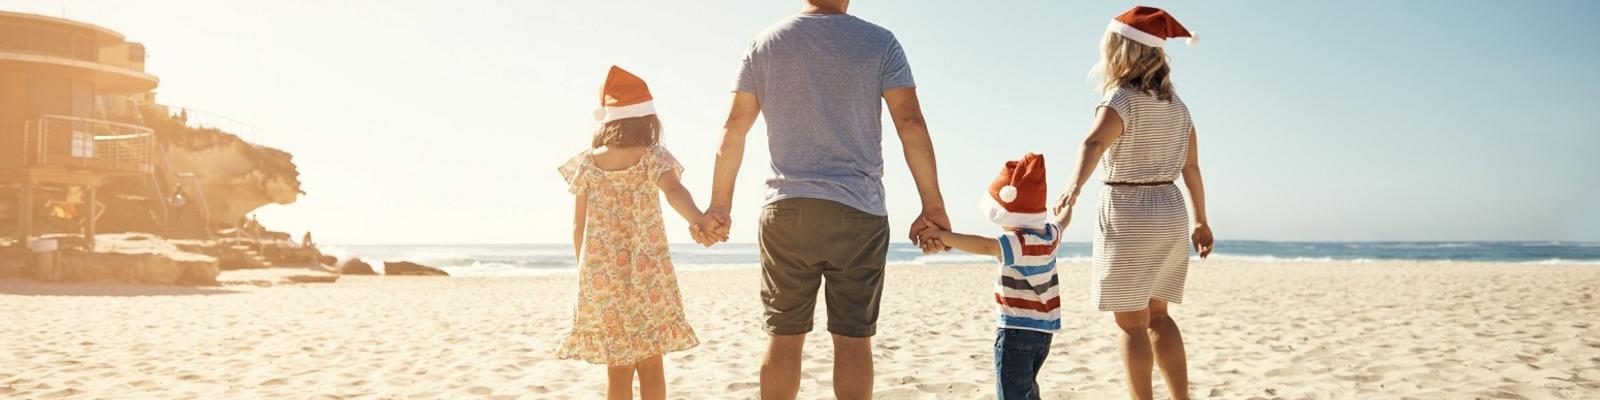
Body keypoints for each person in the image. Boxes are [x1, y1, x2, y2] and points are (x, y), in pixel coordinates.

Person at [697, 0, 949, 398]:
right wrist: (932, 207)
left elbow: (734, 128)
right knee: (852, 340)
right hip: (858, 210)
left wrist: (719, 205)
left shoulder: (764, 44)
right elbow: (910, 123)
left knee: (783, 337)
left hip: (786, 210)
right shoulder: (880, 42)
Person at [1049, 7, 1215, 400]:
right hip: (1171, 208)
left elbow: (1093, 143)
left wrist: (1071, 192)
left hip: (1128, 209)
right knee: (1160, 314)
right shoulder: (1178, 107)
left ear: (1120, 50)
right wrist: (1200, 220)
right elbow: (1191, 166)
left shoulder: (1121, 98)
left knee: (1130, 323)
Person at [555, 66, 706, 400]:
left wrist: (586, 272)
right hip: (648, 275)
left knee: (618, 369)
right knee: (651, 364)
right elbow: (674, 192)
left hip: (601, 279)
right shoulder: (653, 156)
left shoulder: (587, 163)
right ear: (648, 120)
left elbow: (578, 226)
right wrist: (698, 218)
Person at [921, 154, 1066, 400]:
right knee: (1028, 389)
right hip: (1043, 333)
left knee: (1012, 393)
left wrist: (945, 236)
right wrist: (1066, 209)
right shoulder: (1050, 235)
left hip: (1015, 331)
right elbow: (1063, 222)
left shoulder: (1017, 242)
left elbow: (986, 246)